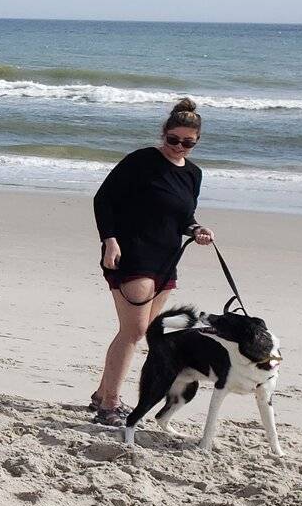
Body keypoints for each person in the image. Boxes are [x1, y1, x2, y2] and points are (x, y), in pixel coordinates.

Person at [89, 96, 216, 426]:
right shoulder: (142, 161)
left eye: (187, 143)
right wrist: (110, 240)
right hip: (132, 254)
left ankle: (102, 395)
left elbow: (183, 217)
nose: (178, 147)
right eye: (173, 139)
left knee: (145, 331)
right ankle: (110, 406)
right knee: (135, 331)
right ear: (163, 134)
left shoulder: (193, 174)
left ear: (197, 141)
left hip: (166, 260)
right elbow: (104, 199)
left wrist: (197, 229)